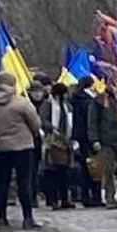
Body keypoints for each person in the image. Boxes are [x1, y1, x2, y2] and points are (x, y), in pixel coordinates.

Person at [0, 70, 41, 227]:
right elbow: (35, 124)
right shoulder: (22, 103)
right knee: (24, 181)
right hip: (23, 147)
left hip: (0, 147)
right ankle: (28, 218)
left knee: (1, 183)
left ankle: (2, 217)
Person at [38, 81, 75, 210]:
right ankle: (53, 199)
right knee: (52, 171)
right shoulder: (48, 104)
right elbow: (42, 120)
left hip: (65, 141)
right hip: (52, 141)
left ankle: (65, 199)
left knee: (64, 172)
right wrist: (52, 128)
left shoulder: (67, 106)